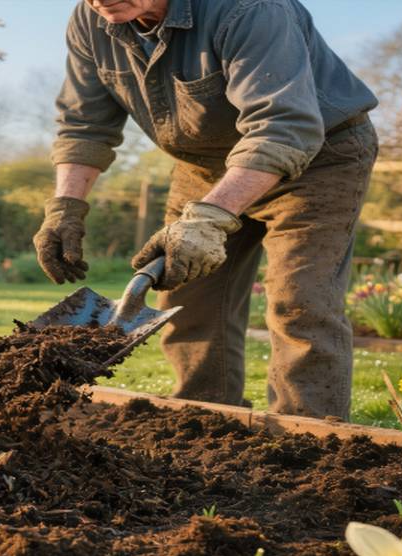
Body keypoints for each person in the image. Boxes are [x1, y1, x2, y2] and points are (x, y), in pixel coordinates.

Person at [32, 0, 379, 420]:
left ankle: (309, 440)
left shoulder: (249, 9)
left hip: (318, 156)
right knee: (189, 298)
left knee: (301, 301)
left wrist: (209, 218)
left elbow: (283, 126)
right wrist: (65, 206)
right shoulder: (93, 21)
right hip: (204, 165)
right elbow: (84, 124)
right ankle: (205, 423)